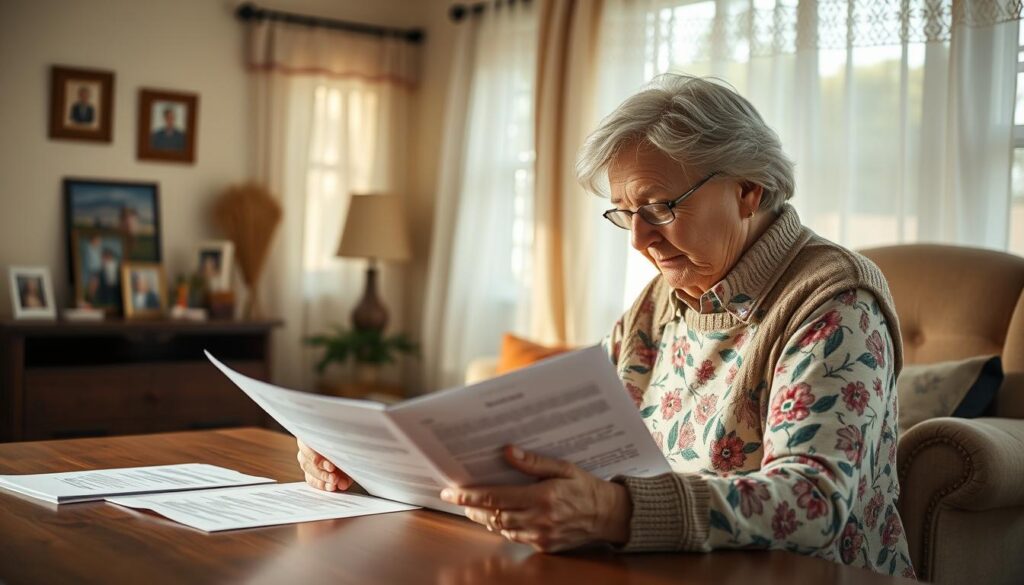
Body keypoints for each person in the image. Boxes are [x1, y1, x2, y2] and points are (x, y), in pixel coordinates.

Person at [295, 74, 914, 578]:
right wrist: (378, 459)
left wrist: (617, 512)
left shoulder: (836, 303)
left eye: (660, 208)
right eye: (625, 214)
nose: (641, 239)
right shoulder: (667, 294)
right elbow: (564, 423)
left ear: (748, 190)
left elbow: (813, 504)